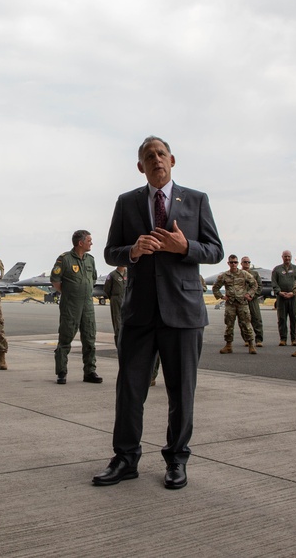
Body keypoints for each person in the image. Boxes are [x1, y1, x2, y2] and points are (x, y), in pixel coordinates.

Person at [93, 136, 222, 490]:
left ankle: (177, 459)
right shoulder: (127, 202)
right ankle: (125, 458)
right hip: (140, 311)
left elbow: (215, 251)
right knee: (130, 390)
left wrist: (186, 247)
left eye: (161, 154)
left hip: (184, 311)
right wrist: (132, 250)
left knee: (181, 391)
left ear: (172, 160)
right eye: (149, 156)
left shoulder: (196, 200)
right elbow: (110, 252)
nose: (156, 160)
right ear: (141, 166)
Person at [51, 230, 101, 384]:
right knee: (65, 338)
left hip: (87, 305)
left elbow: (92, 280)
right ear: (81, 243)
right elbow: (55, 281)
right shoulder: (64, 259)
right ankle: (61, 372)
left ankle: (90, 372)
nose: (91, 243)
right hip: (70, 306)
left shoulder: (90, 260)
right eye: (89, 240)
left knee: (89, 338)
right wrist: (70, 294)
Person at [213, 257, 257, 353]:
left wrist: (249, 294)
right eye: (231, 262)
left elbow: (254, 284)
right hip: (230, 304)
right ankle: (228, 345)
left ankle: (251, 345)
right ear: (228, 263)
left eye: (235, 262)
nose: (233, 264)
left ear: (238, 263)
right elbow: (215, 287)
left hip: (242, 303)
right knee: (229, 325)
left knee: (246, 324)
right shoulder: (224, 275)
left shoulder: (244, 274)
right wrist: (221, 296)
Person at [271, 250, 296, 346]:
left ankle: (294, 339)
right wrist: (279, 292)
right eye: (285, 256)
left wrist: (293, 293)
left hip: (293, 298)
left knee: (294, 318)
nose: (287, 258)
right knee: (282, 319)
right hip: (281, 298)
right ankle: (283, 339)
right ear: (282, 257)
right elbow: (274, 282)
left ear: (291, 257)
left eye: (288, 256)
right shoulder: (277, 269)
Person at [241, 257, 264, 347]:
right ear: (241, 263)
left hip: (253, 300)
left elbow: (259, 286)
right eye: (245, 262)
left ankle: (259, 340)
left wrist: (252, 295)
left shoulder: (255, 274)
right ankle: (247, 340)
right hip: (242, 301)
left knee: (257, 319)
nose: (247, 263)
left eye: (248, 262)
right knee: (243, 321)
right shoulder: (238, 273)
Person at [103, 265, 127, 346]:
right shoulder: (112, 275)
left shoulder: (128, 274)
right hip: (116, 300)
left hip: (127, 299)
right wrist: (113, 298)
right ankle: (119, 345)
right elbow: (107, 289)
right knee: (117, 322)